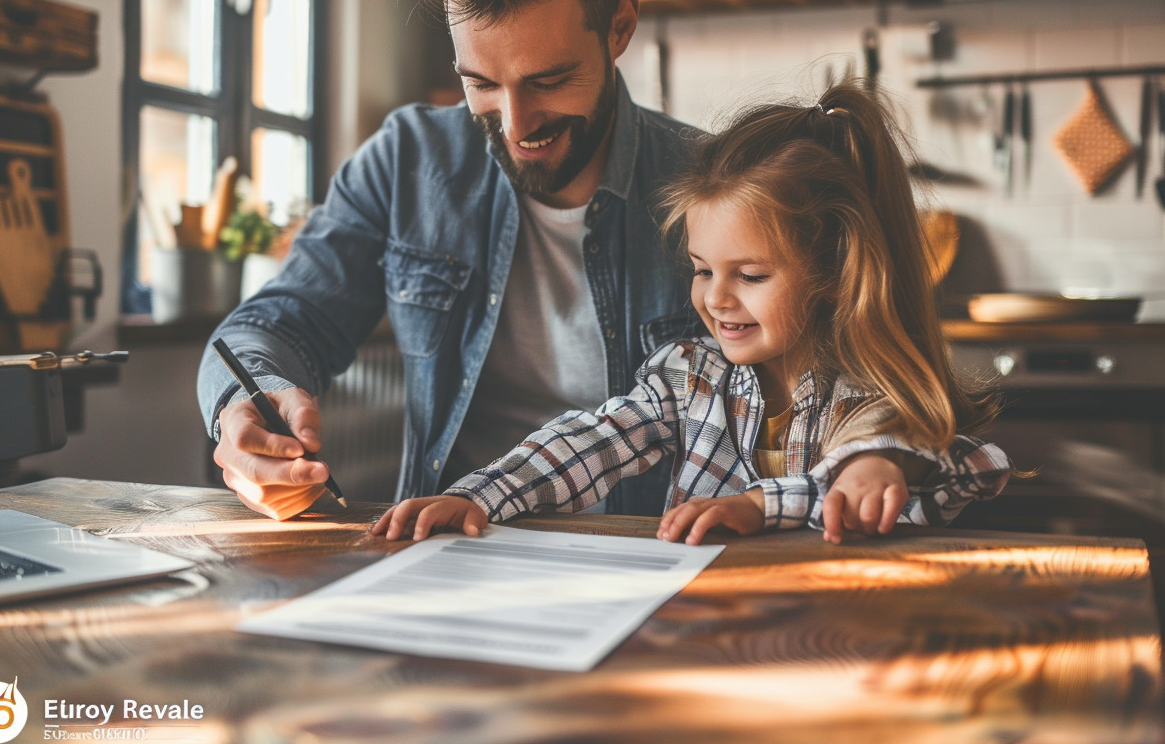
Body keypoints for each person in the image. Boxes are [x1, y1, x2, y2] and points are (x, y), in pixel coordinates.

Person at [197, 0, 703, 521]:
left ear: (619, 27)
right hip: (444, 552)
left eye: (549, 80)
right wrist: (242, 407)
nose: (518, 122)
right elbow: (277, 323)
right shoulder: (408, 160)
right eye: (481, 83)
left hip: (656, 566)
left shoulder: (713, 185)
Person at [372, 81, 1012, 545]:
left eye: (751, 275)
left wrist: (845, 478)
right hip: (705, 631)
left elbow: (967, 467)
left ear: (833, 271)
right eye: (703, 270)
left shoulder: (878, 402)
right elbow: (591, 442)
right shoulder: (689, 375)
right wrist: (478, 494)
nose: (715, 298)